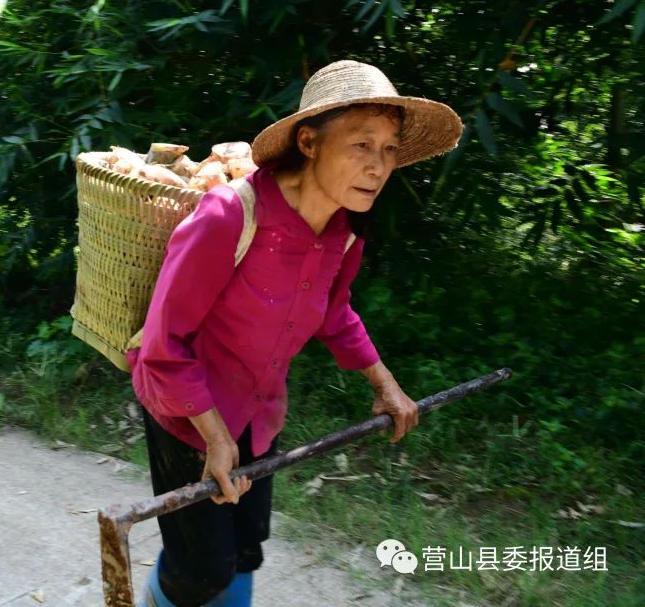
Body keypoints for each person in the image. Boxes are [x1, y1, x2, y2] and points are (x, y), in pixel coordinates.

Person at [128, 60, 463, 606]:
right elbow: (166, 345)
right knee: (201, 568)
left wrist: (385, 382)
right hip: (186, 410)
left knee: (245, 547)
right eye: (362, 145)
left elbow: (334, 312)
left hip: (257, 412)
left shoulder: (343, 233)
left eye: (390, 149)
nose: (378, 166)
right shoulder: (228, 217)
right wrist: (214, 437)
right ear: (308, 142)